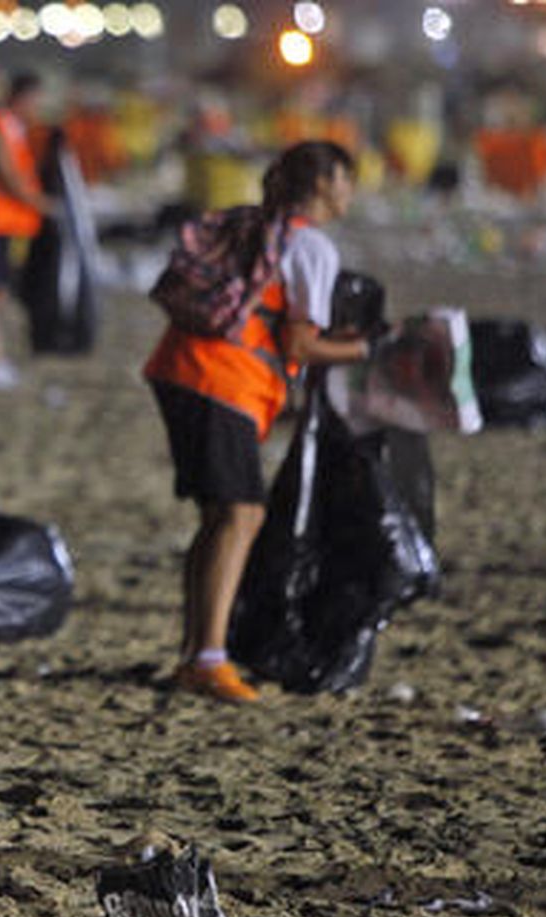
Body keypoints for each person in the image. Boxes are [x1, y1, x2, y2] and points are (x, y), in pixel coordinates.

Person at [144, 141, 369, 703]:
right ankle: (208, 660)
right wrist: (367, 349)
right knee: (240, 515)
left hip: (182, 368)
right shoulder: (311, 245)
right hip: (221, 380)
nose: (351, 192)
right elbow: (299, 341)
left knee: (221, 516)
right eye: (347, 180)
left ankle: (198, 652)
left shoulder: (258, 225)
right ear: (324, 184)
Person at [0, 71, 59, 391]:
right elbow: (6, 172)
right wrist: (40, 203)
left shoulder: (14, 126)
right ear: (21, 97)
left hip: (3, 221)